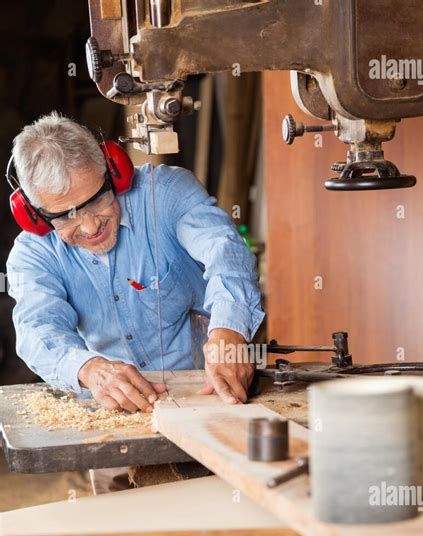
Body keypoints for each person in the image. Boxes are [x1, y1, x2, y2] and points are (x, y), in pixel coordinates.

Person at [7, 112, 265, 492]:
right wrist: (91, 369)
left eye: (97, 200)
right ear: (34, 214)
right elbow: (36, 329)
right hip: (115, 425)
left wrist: (229, 330)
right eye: (66, 217)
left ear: (114, 170)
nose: (91, 226)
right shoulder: (32, 255)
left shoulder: (168, 194)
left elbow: (226, 254)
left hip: (215, 404)